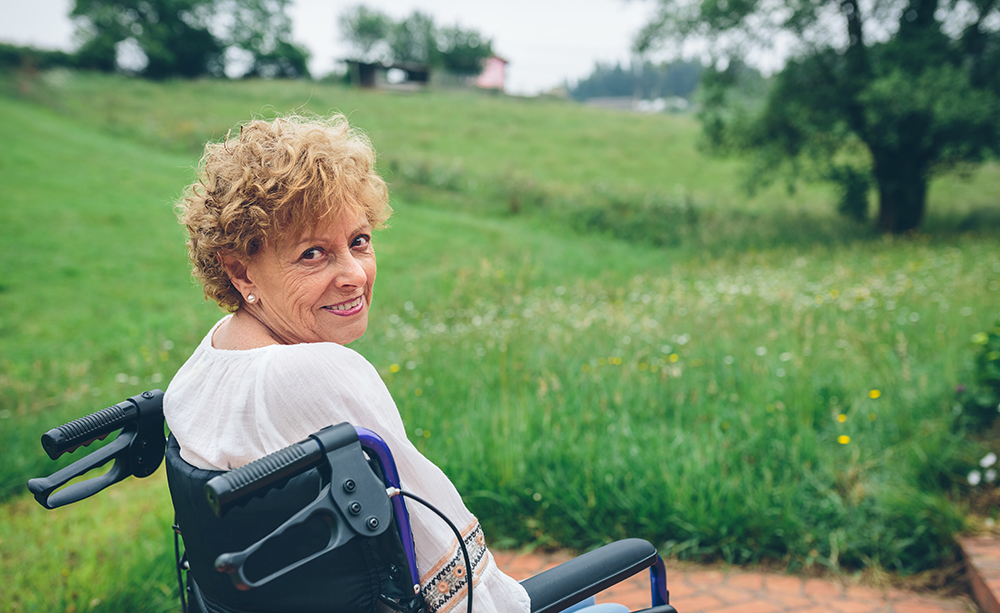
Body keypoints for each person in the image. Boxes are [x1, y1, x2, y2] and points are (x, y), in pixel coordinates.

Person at [165, 115, 629, 613]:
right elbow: (443, 555)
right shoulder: (313, 373)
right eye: (314, 253)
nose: (353, 275)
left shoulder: (200, 370)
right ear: (240, 269)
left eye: (359, 242)